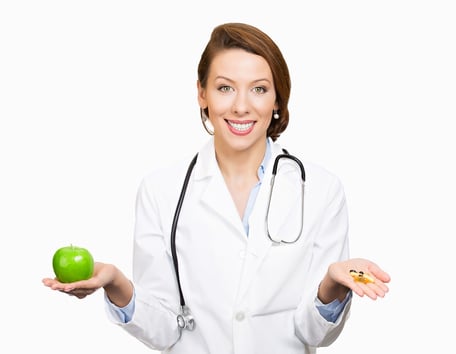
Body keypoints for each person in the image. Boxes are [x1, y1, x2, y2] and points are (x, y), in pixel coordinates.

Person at [43, 22, 390, 353]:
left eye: (259, 88)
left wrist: (330, 286)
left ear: (277, 101)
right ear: (202, 94)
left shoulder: (320, 190)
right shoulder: (161, 190)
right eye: (225, 87)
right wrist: (116, 283)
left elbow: (314, 332)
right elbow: (163, 329)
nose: (241, 105)